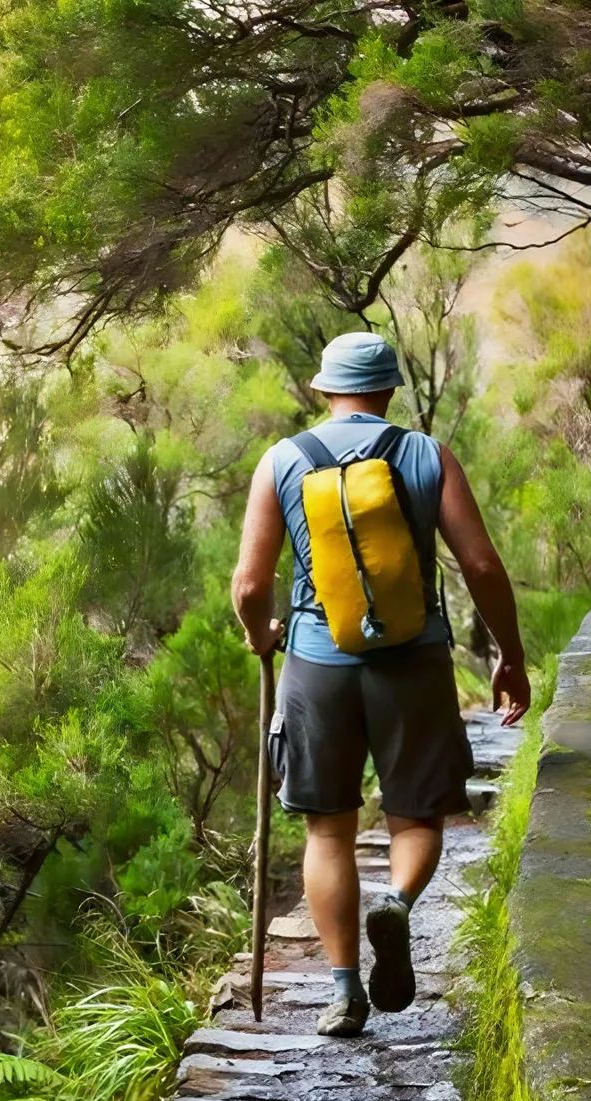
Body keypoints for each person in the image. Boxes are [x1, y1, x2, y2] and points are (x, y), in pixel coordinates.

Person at [231, 331, 530, 1037]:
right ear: (391, 389)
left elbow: (249, 583)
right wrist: (510, 656)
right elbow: (483, 568)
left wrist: (259, 635)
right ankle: (395, 904)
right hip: (413, 659)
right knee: (417, 816)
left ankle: (343, 993)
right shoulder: (427, 455)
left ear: (324, 388)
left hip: (315, 662)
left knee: (328, 831)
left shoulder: (283, 460)